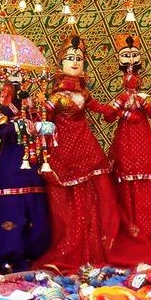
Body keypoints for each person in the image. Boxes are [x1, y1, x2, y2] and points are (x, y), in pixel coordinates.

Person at [36, 36, 119, 270]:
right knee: (67, 205)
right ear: (60, 63)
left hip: (87, 150)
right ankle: (70, 247)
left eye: (79, 59)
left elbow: (103, 110)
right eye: (70, 58)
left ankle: (93, 251)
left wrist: (121, 106)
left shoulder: (83, 95)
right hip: (63, 153)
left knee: (93, 200)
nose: (75, 62)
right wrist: (40, 110)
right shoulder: (55, 97)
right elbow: (43, 122)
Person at [104, 33, 151, 265]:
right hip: (125, 144)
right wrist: (121, 107)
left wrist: (144, 101)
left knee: (149, 181)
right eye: (125, 55)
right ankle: (134, 236)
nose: (130, 59)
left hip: (145, 144)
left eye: (134, 55)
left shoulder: (143, 96)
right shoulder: (121, 97)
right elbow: (108, 116)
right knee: (126, 181)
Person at [0, 71, 51, 271]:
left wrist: (36, 123)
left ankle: (34, 256)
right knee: (10, 213)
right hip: (10, 162)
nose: (16, 76)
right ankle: (9, 258)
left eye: (19, 72)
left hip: (32, 163)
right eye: (12, 72)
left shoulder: (30, 100)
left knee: (37, 216)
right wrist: (17, 127)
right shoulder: (3, 103)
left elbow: (42, 124)